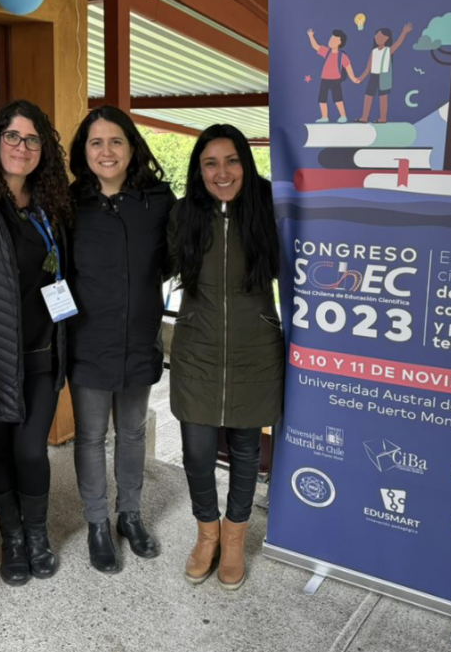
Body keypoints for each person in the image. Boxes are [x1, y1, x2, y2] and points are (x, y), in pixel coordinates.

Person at [0, 99, 73, 586]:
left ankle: (38, 533)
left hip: (46, 352)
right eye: (11, 137)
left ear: (43, 149)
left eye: (32, 139)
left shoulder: (51, 206)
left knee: (31, 450)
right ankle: (13, 538)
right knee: (2, 451)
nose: (21, 148)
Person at [167, 124, 284, 590]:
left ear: (246, 163)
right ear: (199, 169)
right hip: (197, 348)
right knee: (197, 453)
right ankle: (206, 535)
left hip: (256, 350)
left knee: (245, 451)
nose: (222, 171)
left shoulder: (271, 210)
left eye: (231, 160)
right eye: (210, 162)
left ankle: (235, 542)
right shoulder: (183, 215)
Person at [66, 106, 176, 573]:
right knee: (91, 436)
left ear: (132, 148)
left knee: (131, 432)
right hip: (88, 339)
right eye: (96, 143)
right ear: (83, 151)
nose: (106, 151)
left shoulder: (159, 200)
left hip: (139, 336)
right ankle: (96, 522)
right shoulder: (68, 204)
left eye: (116, 142)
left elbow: (174, 259)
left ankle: (129, 515)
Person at [355, 23, 413, 123]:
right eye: (376, 35)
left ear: (387, 38)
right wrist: (360, 78)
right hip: (373, 75)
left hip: (384, 76)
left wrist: (404, 32)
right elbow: (368, 68)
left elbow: (398, 44)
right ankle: (364, 117)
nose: (377, 37)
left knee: (383, 97)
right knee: (368, 95)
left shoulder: (388, 50)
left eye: (381, 36)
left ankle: (383, 118)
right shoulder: (374, 51)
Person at [307, 28, 357, 123]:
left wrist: (354, 79)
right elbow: (315, 46)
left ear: (339, 42)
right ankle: (324, 117)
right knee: (322, 99)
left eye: (334, 39)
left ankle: (343, 116)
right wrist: (311, 36)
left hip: (335, 80)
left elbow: (348, 68)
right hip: (324, 79)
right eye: (331, 38)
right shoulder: (327, 51)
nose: (331, 40)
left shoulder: (342, 56)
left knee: (338, 99)